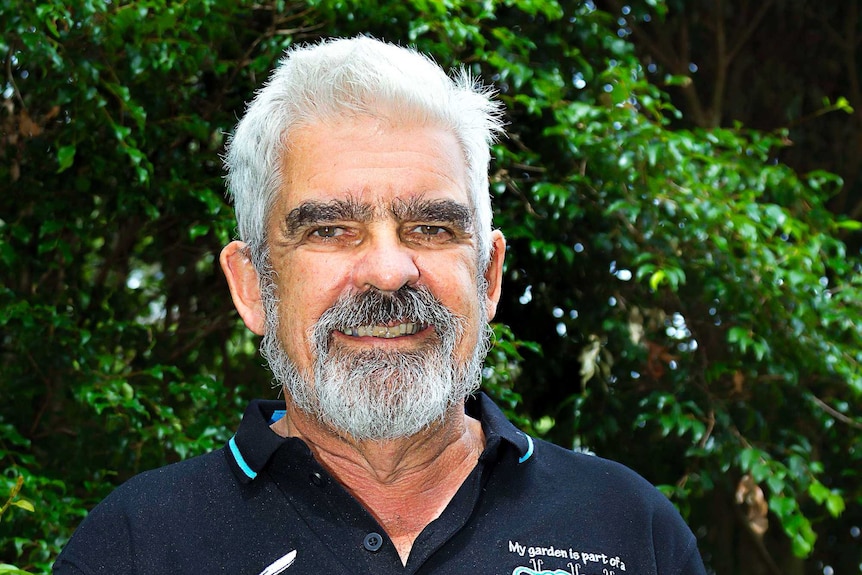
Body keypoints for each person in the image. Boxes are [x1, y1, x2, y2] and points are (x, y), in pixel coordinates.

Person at [54, 36, 707, 575]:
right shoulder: (134, 544)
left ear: (489, 276)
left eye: (432, 227)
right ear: (253, 285)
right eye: (329, 230)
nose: (390, 270)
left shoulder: (632, 529)